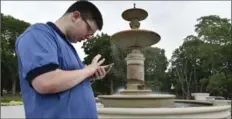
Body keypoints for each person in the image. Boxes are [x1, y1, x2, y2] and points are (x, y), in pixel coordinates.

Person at [15, 1, 111, 118]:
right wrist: (88, 70)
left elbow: (67, 84)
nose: (89, 37)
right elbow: (45, 82)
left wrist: (88, 77)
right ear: (75, 16)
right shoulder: (38, 33)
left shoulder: (68, 47)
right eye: (89, 30)